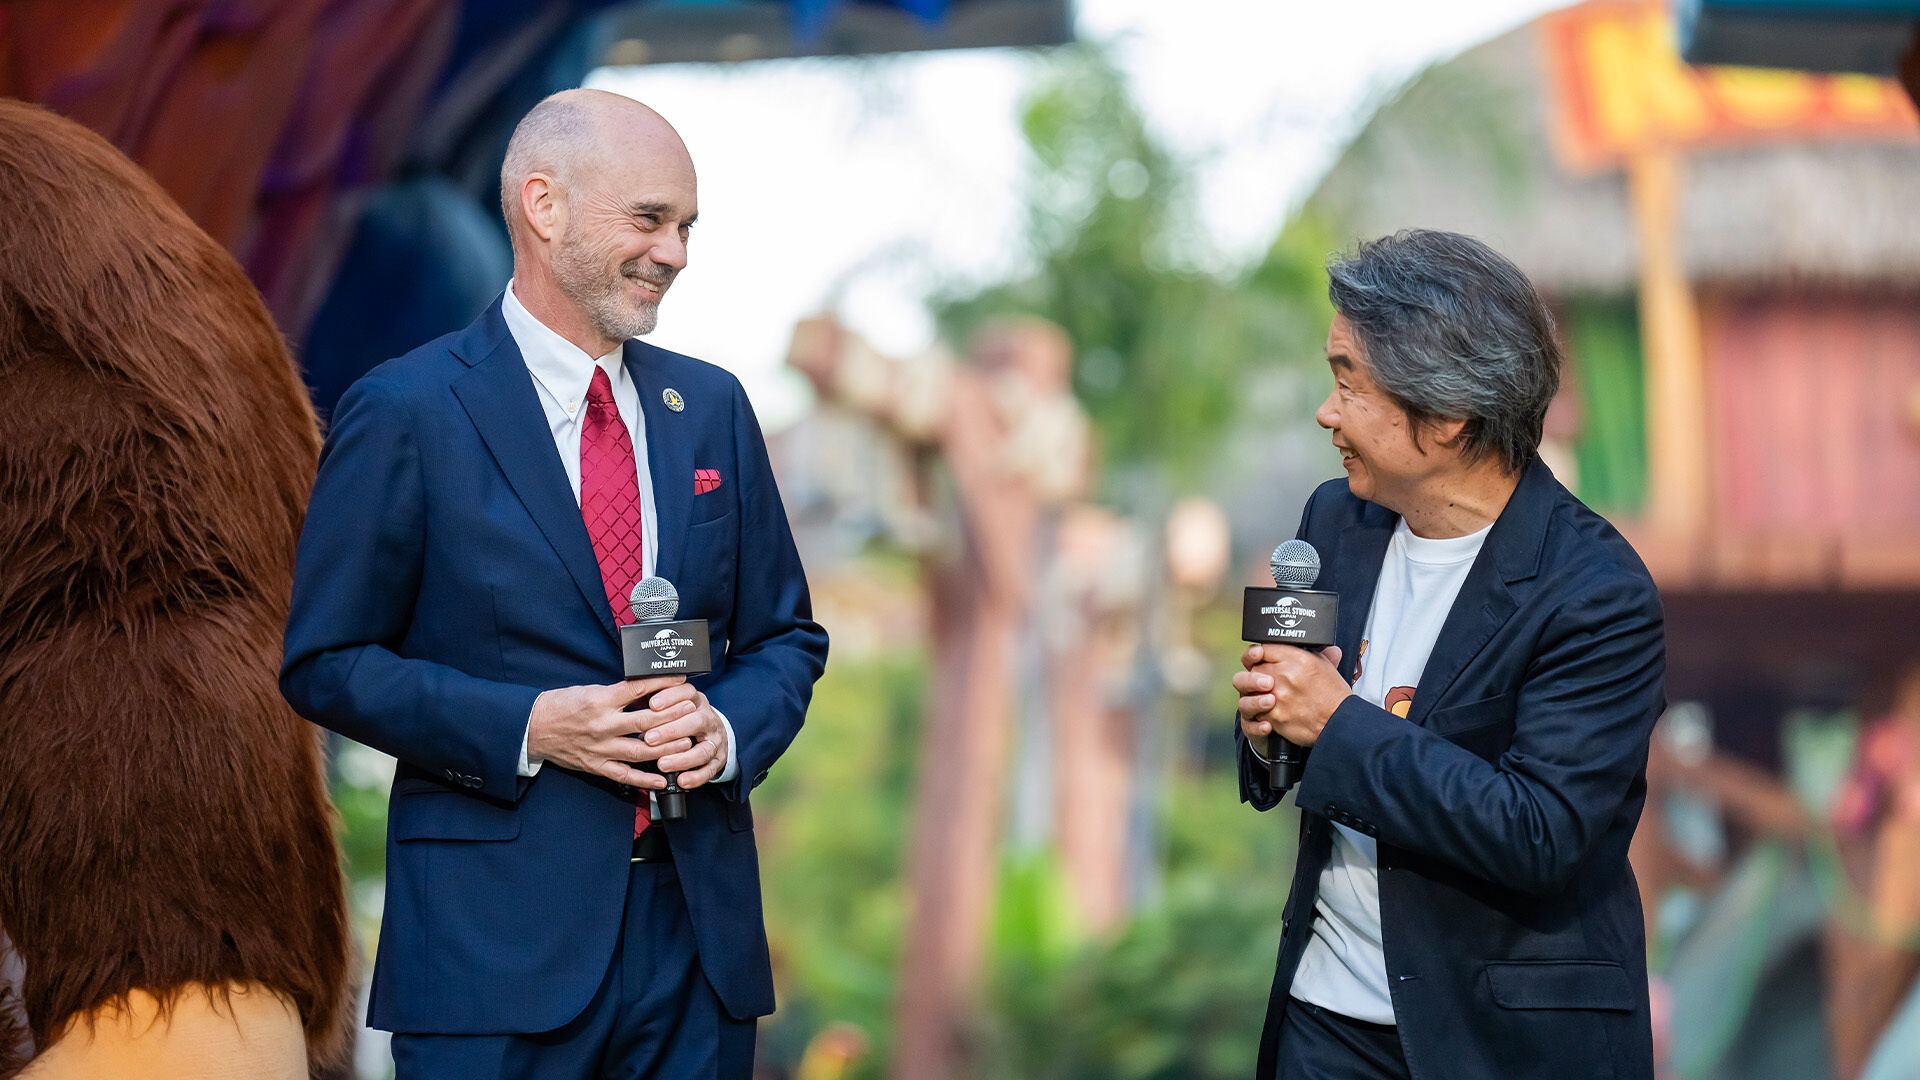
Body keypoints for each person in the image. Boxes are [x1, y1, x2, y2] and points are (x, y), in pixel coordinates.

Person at [281, 89, 828, 1080]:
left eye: (688, 227)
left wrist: (728, 728)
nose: (676, 254)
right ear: (545, 207)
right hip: (492, 964)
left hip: (697, 956)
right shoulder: (405, 409)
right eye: (651, 220)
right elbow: (324, 664)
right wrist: (531, 726)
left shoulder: (711, 406)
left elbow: (787, 637)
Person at [1234, 230, 1664, 1080]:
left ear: (1448, 414)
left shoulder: (1597, 592)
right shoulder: (1336, 519)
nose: (1327, 411)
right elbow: (1294, 733)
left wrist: (1335, 720)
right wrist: (1268, 724)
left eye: (1349, 382)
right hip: (1326, 1022)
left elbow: (1541, 834)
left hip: (1503, 1044)